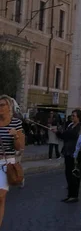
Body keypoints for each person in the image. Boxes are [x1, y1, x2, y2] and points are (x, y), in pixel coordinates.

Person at [0, 96, 24, 228]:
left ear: (9, 107)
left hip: (6, 163)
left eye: (2, 105)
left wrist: (15, 135)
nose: (0, 107)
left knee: (1, 197)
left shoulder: (16, 123)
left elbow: (19, 147)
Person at [58, 109, 81, 203]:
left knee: (74, 173)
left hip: (75, 152)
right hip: (67, 151)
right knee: (68, 173)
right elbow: (64, 136)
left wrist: (63, 133)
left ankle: (74, 195)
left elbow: (74, 135)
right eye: (72, 115)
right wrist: (58, 133)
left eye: (74, 116)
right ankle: (70, 194)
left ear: (79, 117)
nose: (72, 117)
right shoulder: (70, 125)